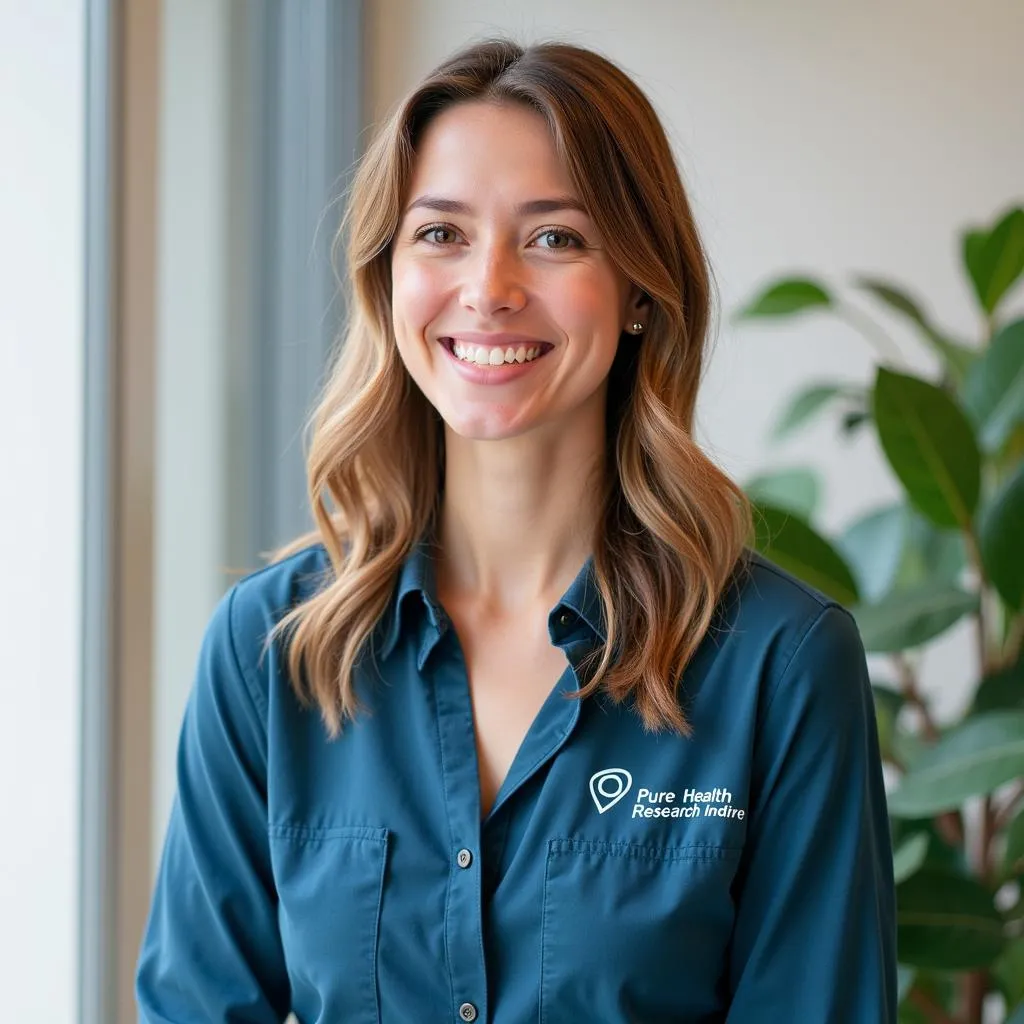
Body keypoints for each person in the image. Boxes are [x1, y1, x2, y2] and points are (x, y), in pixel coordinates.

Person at [136, 38, 896, 1023]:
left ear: (637, 290)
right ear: (387, 280)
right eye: (441, 234)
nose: (488, 286)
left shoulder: (779, 665)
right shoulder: (268, 653)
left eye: (554, 238)